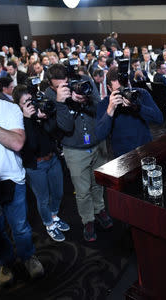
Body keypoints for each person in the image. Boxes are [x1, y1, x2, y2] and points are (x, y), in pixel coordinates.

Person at [0, 66, 44, 287]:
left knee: (20, 226)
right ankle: (5, 262)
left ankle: (28, 256)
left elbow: (17, 143)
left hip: (12, 179)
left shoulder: (10, 109)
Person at [45, 64, 113, 242]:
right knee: (82, 191)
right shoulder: (50, 95)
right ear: (52, 86)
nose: (65, 87)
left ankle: (100, 210)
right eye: (59, 86)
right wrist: (62, 103)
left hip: (98, 143)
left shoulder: (85, 82)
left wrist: (86, 100)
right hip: (75, 150)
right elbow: (65, 126)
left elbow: (100, 109)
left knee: (98, 183)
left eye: (66, 83)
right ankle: (88, 220)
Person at [13, 85, 69, 242]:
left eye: (31, 100)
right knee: (43, 198)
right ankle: (49, 223)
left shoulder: (40, 112)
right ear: (18, 106)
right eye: (26, 103)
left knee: (58, 192)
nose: (31, 105)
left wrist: (45, 117)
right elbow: (32, 145)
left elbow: (54, 132)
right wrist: (28, 119)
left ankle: (54, 215)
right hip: (36, 166)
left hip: (52, 159)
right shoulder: (19, 122)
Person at [96, 67, 163, 158]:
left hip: (146, 148)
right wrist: (110, 110)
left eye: (126, 86)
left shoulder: (141, 93)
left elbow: (159, 119)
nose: (124, 92)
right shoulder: (104, 104)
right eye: (119, 90)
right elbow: (100, 135)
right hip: (123, 156)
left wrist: (138, 106)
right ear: (109, 88)